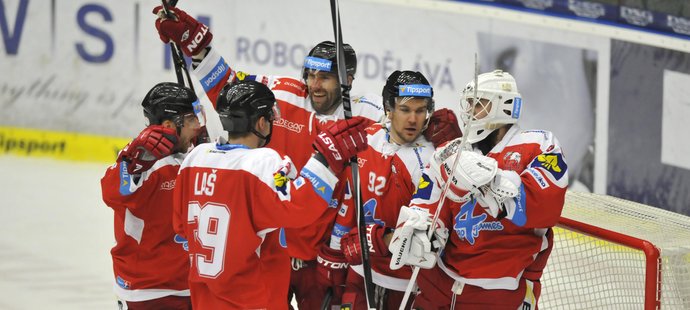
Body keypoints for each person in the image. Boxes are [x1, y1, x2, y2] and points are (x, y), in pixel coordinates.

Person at [151, 7, 461, 308]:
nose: (314, 84)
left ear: (348, 79)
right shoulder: (283, 94)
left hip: (322, 260)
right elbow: (231, 90)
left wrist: (440, 131)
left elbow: (407, 125)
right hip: (271, 251)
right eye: (310, 75)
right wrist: (197, 45)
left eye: (325, 77)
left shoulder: (365, 113)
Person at [171, 80, 369, 309]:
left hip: (205, 299)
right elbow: (300, 207)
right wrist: (325, 159)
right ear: (262, 123)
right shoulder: (263, 162)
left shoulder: (195, 158)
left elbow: (181, 226)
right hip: (252, 300)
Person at [392, 69, 568, 309]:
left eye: (478, 104)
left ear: (503, 106)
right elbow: (428, 199)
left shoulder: (539, 144)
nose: (469, 112)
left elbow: (543, 207)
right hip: (440, 285)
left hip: (501, 293)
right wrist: (421, 228)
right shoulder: (452, 151)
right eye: (469, 104)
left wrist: (488, 179)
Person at [319, 70, 454, 309]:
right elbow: (348, 199)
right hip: (360, 273)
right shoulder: (365, 139)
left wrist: (378, 240)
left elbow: (435, 229)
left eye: (420, 110)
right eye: (405, 110)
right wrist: (335, 254)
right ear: (388, 109)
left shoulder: (433, 157)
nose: (413, 119)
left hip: (408, 283)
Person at [100, 82, 202, 309]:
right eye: (191, 120)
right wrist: (133, 165)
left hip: (190, 284)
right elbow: (111, 192)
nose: (198, 126)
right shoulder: (141, 162)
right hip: (148, 291)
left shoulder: (193, 156)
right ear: (169, 125)